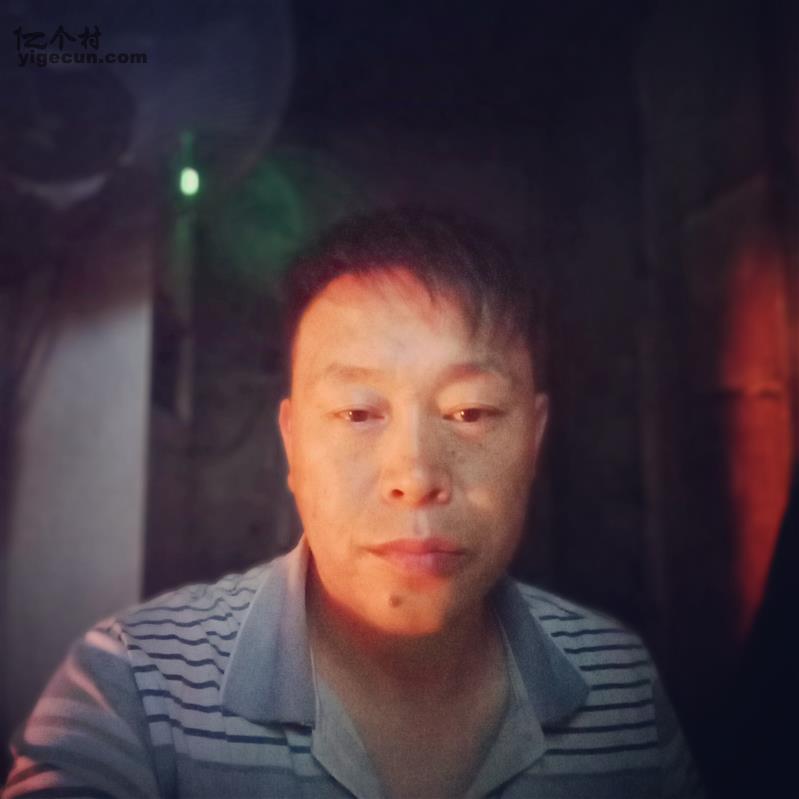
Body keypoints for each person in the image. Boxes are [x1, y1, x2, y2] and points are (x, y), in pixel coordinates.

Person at [3, 208, 703, 798]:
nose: (415, 476)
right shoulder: (136, 685)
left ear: (533, 439)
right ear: (292, 444)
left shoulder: (618, 684)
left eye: (470, 411)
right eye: (358, 413)